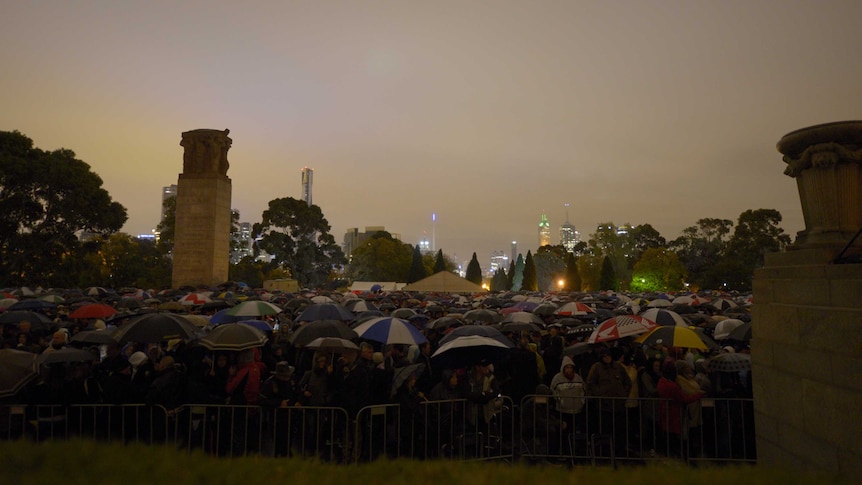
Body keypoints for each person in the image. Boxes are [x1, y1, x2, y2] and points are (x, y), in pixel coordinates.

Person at [585, 346, 631, 455]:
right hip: (604, 406)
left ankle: (619, 451)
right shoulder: (596, 367)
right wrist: (599, 393)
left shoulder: (618, 367)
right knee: (605, 430)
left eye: (608, 355)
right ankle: (606, 452)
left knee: (619, 430)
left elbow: (628, 382)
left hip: (619, 405)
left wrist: (624, 394)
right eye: (604, 356)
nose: (607, 358)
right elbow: (590, 383)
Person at [657, 359, 703, 459]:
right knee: (674, 438)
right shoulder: (672, 386)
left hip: (667, 412)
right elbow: (684, 399)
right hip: (674, 414)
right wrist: (699, 395)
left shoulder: (662, 382)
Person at [550, 356, 585, 438]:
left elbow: (583, 391)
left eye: (570, 367)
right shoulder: (557, 379)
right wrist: (560, 401)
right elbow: (553, 392)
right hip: (563, 411)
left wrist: (582, 401)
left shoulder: (578, 378)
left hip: (577, 410)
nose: (569, 370)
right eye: (567, 367)